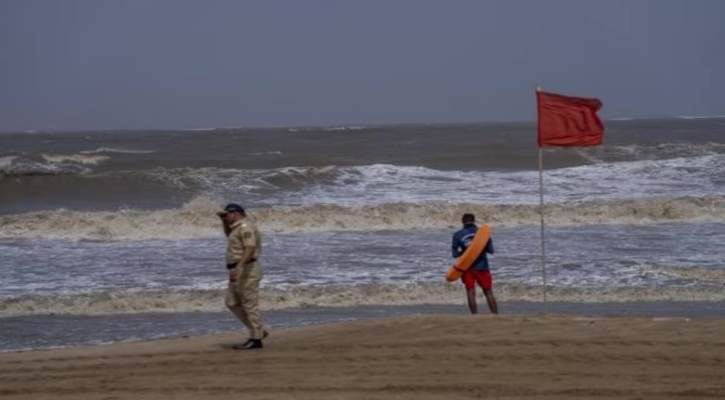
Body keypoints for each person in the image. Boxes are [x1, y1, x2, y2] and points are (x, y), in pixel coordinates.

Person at [217, 203, 267, 349]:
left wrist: (239, 267)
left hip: (247, 269)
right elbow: (229, 235)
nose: (226, 217)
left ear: (236, 213)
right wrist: (223, 221)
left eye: (228, 214)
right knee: (231, 302)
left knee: (249, 304)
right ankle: (258, 331)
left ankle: (256, 339)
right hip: (238, 270)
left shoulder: (246, 227)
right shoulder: (237, 228)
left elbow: (250, 248)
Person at [452, 213, 498, 314]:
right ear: (474, 221)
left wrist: (465, 251)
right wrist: (478, 248)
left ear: (462, 222)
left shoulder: (457, 235)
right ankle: (495, 315)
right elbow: (491, 251)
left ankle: (474, 316)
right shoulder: (483, 234)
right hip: (482, 266)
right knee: (488, 291)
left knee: (470, 291)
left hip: (466, 267)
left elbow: (455, 254)